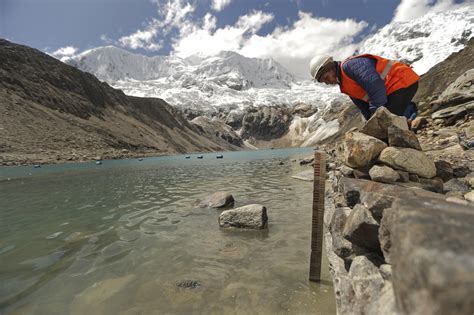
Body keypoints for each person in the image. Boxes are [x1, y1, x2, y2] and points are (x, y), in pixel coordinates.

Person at [309, 54, 420, 122]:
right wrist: (370, 122)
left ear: (330, 68)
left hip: (402, 82)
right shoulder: (345, 86)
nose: (327, 83)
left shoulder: (350, 66)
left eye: (326, 78)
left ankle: (409, 111)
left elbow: (375, 85)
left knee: (388, 123)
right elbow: (363, 107)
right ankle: (408, 115)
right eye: (323, 82)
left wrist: (375, 114)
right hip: (393, 91)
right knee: (385, 124)